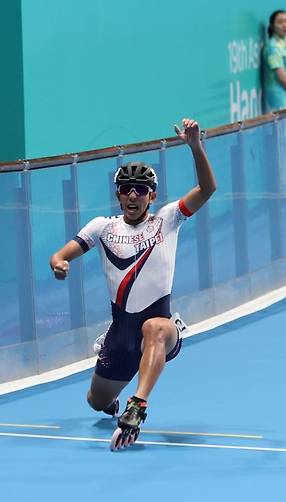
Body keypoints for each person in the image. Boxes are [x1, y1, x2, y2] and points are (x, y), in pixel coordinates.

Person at [49, 118, 217, 449]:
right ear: (118, 194)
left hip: (161, 327)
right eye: (126, 189)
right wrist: (59, 263)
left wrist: (196, 146)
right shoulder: (102, 227)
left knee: (155, 328)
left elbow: (207, 189)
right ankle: (113, 403)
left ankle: (137, 405)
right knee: (95, 401)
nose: (132, 195)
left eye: (140, 190)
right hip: (121, 335)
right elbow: (62, 253)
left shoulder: (167, 219)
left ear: (151, 195)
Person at [263, 9, 286, 112]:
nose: (284, 25)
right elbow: (281, 76)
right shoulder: (272, 47)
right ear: (272, 26)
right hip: (278, 100)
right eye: (280, 22)